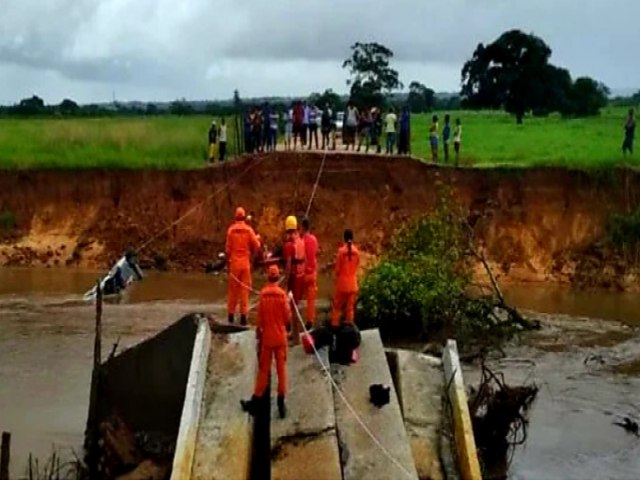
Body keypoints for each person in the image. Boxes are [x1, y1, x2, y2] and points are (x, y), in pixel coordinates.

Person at [241, 264, 291, 419]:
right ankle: (281, 403)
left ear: (268, 277)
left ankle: (255, 402)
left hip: (267, 338)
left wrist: (258, 333)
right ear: (278, 277)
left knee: (264, 371)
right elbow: (287, 317)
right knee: (281, 371)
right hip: (280, 337)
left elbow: (260, 319)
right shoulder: (282, 295)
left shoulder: (263, 295)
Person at [226, 206, 261, 325]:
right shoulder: (249, 230)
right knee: (244, 291)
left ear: (235, 217)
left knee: (233, 291)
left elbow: (227, 250)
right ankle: (243, 317)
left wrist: (228, 263)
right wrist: (253, 259)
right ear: (244, 217)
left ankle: (230, 316)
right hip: (245, 263)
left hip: (234, 263)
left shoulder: (231, 230)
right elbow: (257, 246)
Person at [282, 215, 306, 343]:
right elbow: (305, 259)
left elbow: (288, 265)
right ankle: (295, 333)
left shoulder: (289, 245)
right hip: (301, 276)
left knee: (294, 308)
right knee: (295, 306)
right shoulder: (301, 241)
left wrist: (285, 282)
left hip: (294, 278)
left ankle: (296, 338)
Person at [331, 229, 360, 329]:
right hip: (353, 284)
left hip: (342, 285)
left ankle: (334, 329)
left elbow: (338, 270)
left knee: (337, 308)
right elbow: (356, 265)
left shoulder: (341, 252)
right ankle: (350, 330)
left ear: (344, 238)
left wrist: (335, 278)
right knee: (350, 309)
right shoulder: (356, 252)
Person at [300, 217, 319, 330]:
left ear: (302, 227)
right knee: (311, 301)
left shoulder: (301, 241)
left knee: (295, 299)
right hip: (312, 273)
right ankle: (309, 322)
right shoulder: (314, 239)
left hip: (303, 274)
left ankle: (293, 322)